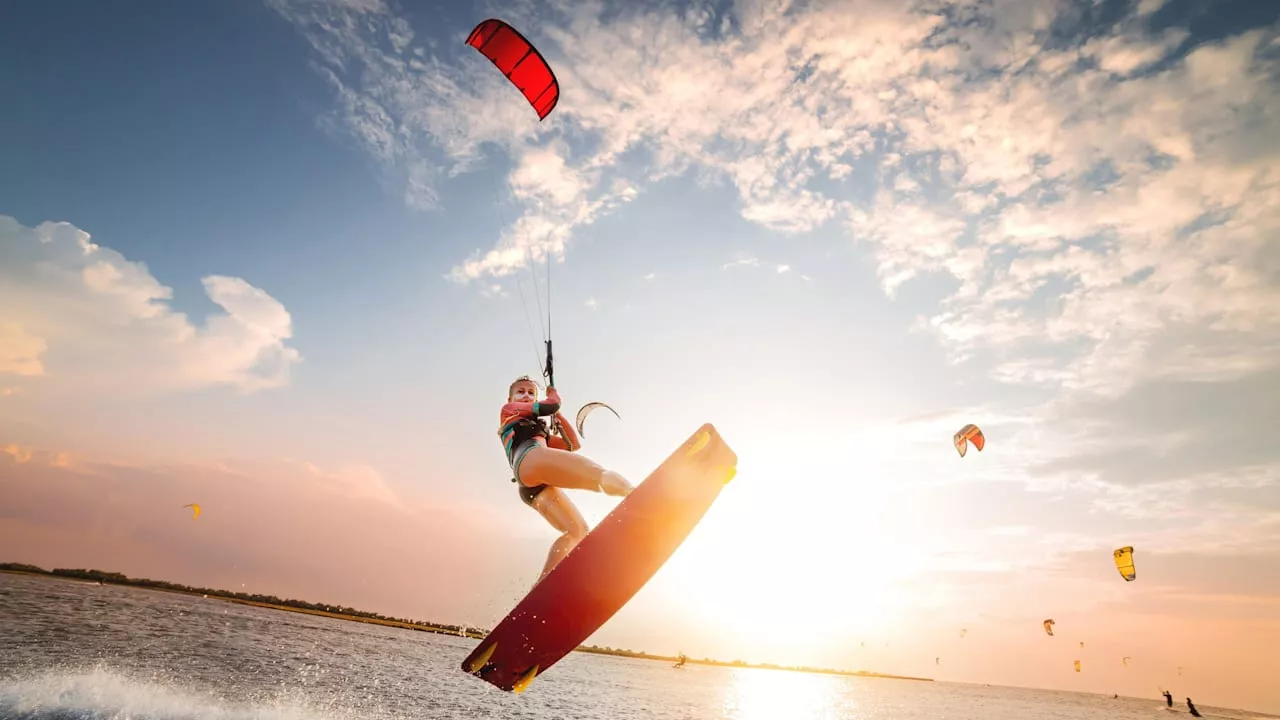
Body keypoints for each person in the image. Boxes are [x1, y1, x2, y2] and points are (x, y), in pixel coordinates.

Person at [499, 375, 633, 583]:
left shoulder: (538, 431)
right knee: (599, 475)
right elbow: (551, 404)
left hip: (531, 486)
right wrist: (552, 396)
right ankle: (636, 494)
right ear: (510, 399)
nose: (526, 396)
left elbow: (571, 445)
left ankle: (544, 587)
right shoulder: (509, 411)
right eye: (520, 392)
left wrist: (559, 417)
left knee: (577, 531)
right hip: (532, 459)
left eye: (531, 393)